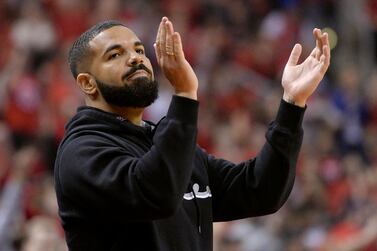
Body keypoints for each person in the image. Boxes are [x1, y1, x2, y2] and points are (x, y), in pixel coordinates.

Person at [54, 17, 330, 251]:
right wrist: (185, 94)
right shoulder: (81, 151)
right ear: (88, 83)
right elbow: (156, 193)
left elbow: (260, 191)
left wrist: (292, 104)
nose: (135, 59)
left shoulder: (163, 143)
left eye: (139, 50)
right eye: (115, 55)